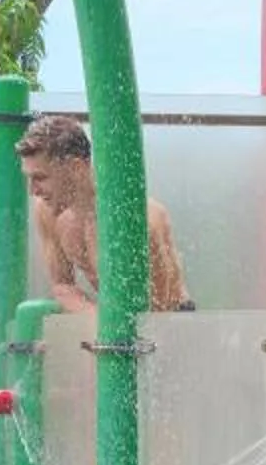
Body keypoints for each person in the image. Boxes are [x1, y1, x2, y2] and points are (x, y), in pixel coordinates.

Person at [16, 111, 192, 315]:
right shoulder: (48, 212)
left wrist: (99, 324)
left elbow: (158, 314)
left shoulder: (137, 219)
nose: (32, 191)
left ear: (75, 167)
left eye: (40, 177)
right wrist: (97, 321)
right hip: (111, 320)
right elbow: (62, 288)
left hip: (172, 319)